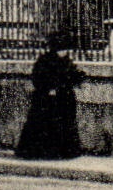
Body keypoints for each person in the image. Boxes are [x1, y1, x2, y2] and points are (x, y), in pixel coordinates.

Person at [16, 31, 86, 159]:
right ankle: (46, 152)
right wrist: (50, 87)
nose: (65, 52)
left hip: (63, 98)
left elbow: (69, 76)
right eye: (63, 49)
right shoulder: (46, 60)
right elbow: (38, 78)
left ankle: (62, 151)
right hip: (48, 98)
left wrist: (77, 77)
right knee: (47, 125)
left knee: (63, 124)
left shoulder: (64, 61)